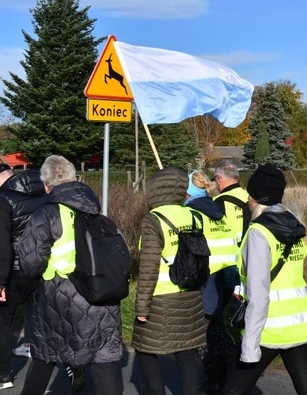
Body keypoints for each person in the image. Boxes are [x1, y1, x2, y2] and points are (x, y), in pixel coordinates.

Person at [16, 155, 123, 395]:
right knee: (104, 359)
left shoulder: (48, 214)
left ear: (46, 185)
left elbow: (30, 262)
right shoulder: (98, 212)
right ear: (77, 178)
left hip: (60, 296)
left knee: (45, 355)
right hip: (102, 292)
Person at [222, 164, 307, 395]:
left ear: (255, 196)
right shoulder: (295, 226)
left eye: (250, 194)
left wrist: (249, 346)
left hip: (268, 328)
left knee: (232, 391)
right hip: (299, 324)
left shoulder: (258, 232)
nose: (247, 198)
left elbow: (258, 292)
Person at [132, 167, 207, 395]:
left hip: (161, 299)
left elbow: (148, 267)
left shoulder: (154, 219)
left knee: (145, 350)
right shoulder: (194, 216)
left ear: (154, 189)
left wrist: (142, 306)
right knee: (186, 352)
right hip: (191, 295)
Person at [186, 170, 238, 393]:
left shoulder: (191, 212)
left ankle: (220, 373)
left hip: (212, 276)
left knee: (203, 328)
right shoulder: (216, 207)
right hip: (230, 272)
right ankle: (224, 370)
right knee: (215, 324)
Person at [0, 164, 47, 389]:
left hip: (14, 270)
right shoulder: (41, 193)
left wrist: (0, 280)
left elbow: (3, 246)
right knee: (34, 310)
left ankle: (3, 375)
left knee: (3, 320)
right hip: (39, 265)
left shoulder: (3, 199)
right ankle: (30, 345)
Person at [213, 159, 251, 243]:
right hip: (252, 247)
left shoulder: (217, 201)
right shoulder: (251, 197)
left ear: (219, 179)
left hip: (233, 250)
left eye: (215, 180)